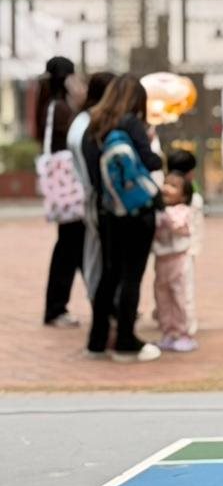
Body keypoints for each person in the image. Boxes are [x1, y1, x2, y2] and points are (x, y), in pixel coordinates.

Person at [84, 74, 163, 363]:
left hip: (108, 211)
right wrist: (149, 142)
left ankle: (97, 340)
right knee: (132, 276)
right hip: (137, 212)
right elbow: (152, 162)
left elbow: (94, 173)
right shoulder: (131, 123)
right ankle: (126, 341)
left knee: (109, 275)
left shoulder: (94, 124)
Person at [37, 56, 87, 327]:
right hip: (70, 188)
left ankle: (105, 303)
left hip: (66, 191)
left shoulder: (50, 105)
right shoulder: (59, 108)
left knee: (73, 247)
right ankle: (56, 308)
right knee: (71, 247)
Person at [67, 71, 115, 305]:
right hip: (96, 197)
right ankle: (105, 309)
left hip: (88, 196)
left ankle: (102, 305)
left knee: (94, 255)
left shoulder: (82, 120)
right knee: (102, 258)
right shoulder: (90, 123)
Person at [153, 171, 198, 352]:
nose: (166, 188)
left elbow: (178, 227)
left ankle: (184, 333)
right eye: (165, 183)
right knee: (162, 298)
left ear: (184, 195)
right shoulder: (159, 211)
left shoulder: (184, 212)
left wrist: (164, 216)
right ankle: (168, 332)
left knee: (180, 297)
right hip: (161, 261)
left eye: (173, 186)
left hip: (178, 260)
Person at [166, 148, 204, 337]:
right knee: (177, 289)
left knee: (180, 289)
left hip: (181, 252)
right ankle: (178, 323)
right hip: (180, 252)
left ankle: (184, 326)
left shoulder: (188, 198)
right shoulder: (189, 197)